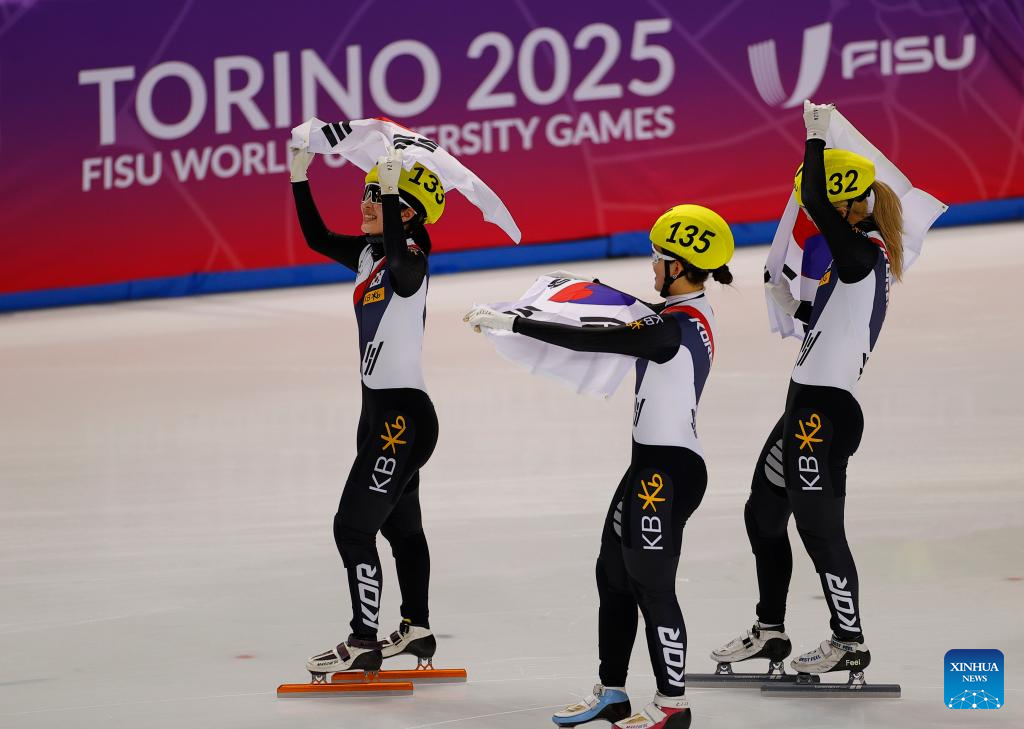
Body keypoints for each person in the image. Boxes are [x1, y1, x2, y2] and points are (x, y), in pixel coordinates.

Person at [465, 205, 735, 729]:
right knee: (612, 576)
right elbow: (612, 314)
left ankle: (672, 705)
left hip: (666, 473)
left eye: (658, 258)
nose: (651, 266)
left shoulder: (671, 329)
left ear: (679, 266)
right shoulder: (676, 317)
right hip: (649, 467)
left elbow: (597, 338)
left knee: (652, 586)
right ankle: (613, 692)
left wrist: (518, 323)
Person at [711, 101, 905, 680]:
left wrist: (814, 139)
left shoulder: (861, 252)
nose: (819, 215)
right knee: (763, 515)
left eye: (829, 207)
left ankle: (850, 641)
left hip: (823, 414)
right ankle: (770, 630)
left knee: (819, 531)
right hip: (804, 410)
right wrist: (790, 305)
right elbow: (828, 324)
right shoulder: (854, 262)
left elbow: (815, 202)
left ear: (847, 206)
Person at [290, 146, 445, 676]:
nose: (365, 202)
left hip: (402, 421)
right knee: (402, 531)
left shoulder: (412, 260)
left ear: (407, 212)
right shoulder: (367, 254)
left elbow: (401, 265)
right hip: (379, 417)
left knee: (351, 529)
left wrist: (395, 190)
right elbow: (316, 238)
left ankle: (363, 640)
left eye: (377, 195)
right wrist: (299, 177)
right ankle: (417, 629)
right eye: (366, 192)